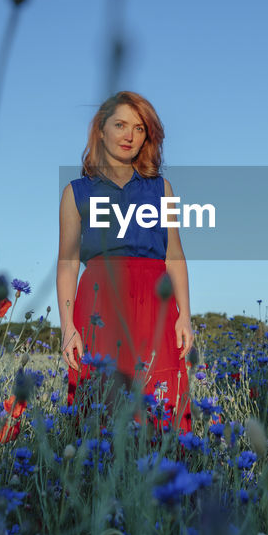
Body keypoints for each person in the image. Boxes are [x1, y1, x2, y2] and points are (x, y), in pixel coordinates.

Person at [58, 91, 194, 434]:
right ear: (100, 131)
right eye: (120, 125)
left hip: (155, 302)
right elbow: (68, 263)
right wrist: (67, 327)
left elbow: (174, 255)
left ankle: (164, 484)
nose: (129, 135)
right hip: (99, 304)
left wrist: (185, 318)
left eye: (139, 128)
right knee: (99, 408)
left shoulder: (161, 189)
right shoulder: (76, 192)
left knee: (160, 406)